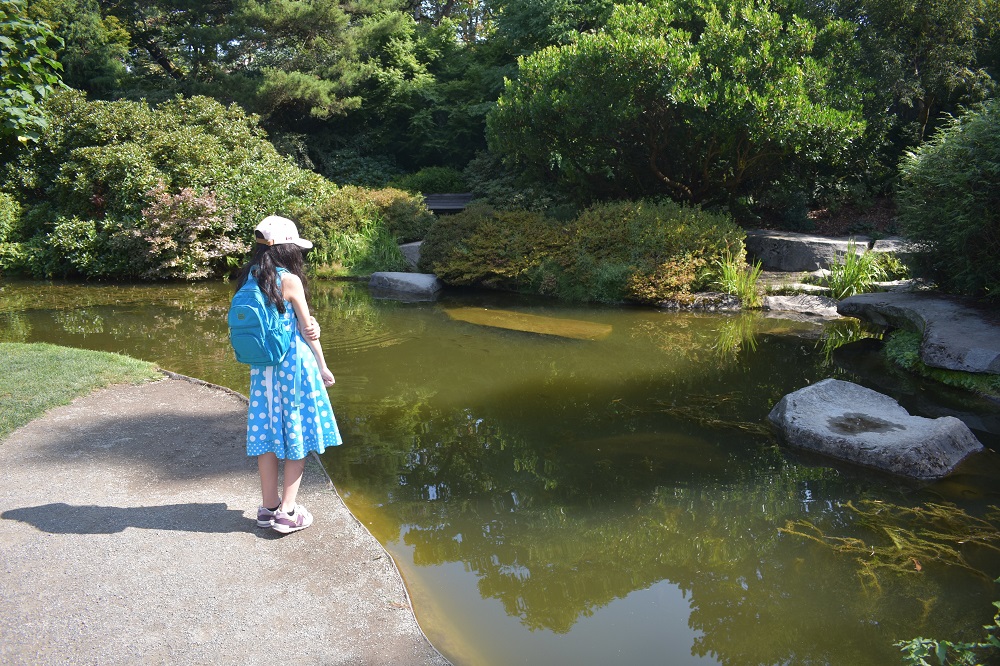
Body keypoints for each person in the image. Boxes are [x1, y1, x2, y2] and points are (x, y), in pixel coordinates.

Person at [235, 215, 342, 534]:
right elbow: (309, 331)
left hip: (262, 368)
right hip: (293, 364)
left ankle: (268, 508)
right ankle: (288, 512)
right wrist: (323, 366)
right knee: (296, 430)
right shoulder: (289, 280)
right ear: (288, 249)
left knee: (267, 433)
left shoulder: (247, 276)